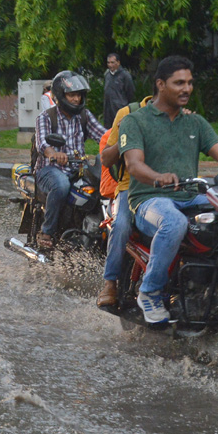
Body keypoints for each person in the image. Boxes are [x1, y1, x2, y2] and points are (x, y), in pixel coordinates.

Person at [120, 55, 218, 325]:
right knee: (173, 223)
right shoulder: (135, 121)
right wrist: (158, 177)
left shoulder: (196, 123)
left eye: (190, 83)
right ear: (161, 84)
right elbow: (134, 165)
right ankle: (150, 292)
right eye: (179, 83)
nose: (187, 89)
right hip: (150, 199)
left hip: (190, 195)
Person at [33, 70, 108, 249]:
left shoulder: (84, 116)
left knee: (101, 189)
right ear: (60, 95)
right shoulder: (46, 117)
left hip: (77, 169)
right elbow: (42, 143)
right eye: (72, 95)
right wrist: (53, 154)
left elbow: (104, 136)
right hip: (49, 170)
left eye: (79, 95)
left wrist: (121, 140)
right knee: (61, 185)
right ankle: (47, 232)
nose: (76, 99)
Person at [96, 94, 152, 309]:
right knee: (120, 225)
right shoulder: (127, 114)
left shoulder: (179, 118)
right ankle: (110, 282)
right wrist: (125, 136)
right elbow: (106, 158)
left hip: (166, 188)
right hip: (131, 187)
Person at [102, 53, 135, 127]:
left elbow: (130, 92)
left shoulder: (125, 75)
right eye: (108, 62)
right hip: (108, 109)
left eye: (112, 62)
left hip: (119, 108)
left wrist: (122, 103)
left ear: (118, 62)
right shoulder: (107, 75)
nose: (110, 65)